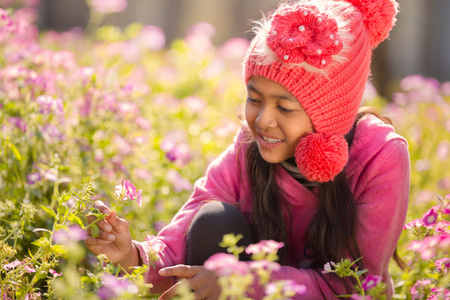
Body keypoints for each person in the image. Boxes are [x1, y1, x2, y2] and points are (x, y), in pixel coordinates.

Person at [85, 0, 410, 299]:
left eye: (284, 108)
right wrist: (132, 256)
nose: (263, 120)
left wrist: (241, 280)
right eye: (254, 99)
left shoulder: (381, 156)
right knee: (213, 219)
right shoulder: (249, 145)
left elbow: (356, 285)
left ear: (330, 114)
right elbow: (188, 227)